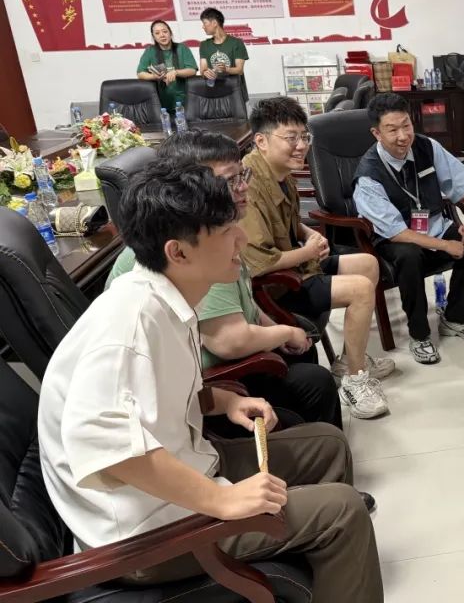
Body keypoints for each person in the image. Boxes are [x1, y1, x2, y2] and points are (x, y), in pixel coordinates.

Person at [38, 160, 383, 602]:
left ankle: (326, 575)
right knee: (342, 511)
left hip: (184, 467)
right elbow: (103, 446)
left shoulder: (167, 294)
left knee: (326, 444)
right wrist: (222, 502)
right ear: (178, 252)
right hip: (145, 533)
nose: (242, 239)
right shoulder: (129, 324)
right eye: (226, 231)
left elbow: (159, 390)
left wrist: (223, 401)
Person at [105, 130, 348, 433]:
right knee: (314, 386)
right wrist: (285, 332)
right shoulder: (194, 249)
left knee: (304, 357)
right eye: (230, 180)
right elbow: (227, 342)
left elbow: (244, 299)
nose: (244, 186)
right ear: (191, 185)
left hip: (202, 389)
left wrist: (279, 331)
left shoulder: (211, 229)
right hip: (211, 383)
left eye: (242, 175)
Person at [239, 96, 392, 419]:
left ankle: (349, 359)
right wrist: (307, 252)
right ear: (261, 141)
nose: (301, 146)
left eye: (304, 137)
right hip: (277, 284)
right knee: (361, 289)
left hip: (298, 265)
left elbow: (290, 222)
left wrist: (310, 234)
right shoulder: (249, 186)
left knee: (368, 263)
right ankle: (355, 381)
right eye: (290, 138)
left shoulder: (279, 172)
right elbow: (257, 264)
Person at [353, 92, 464, 365]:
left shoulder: (427, 147)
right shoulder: (368, 175)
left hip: (433, 226)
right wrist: (445, 245)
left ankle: (455, 318)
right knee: (410, 257)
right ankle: (419, 334)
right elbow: (396, 232)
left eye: (407, 125)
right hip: (396, 239)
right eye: (392, 130)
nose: (403, 136)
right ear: (376, 133)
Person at [135, 20, 198, 116]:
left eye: (165, 31)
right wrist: (154, 76)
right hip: (159, 103)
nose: (162, 35)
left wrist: (176, 72)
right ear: (153, 37)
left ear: (170, 33)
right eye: (157, 33)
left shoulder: (182, 48)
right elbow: (140, 73)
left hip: (184, 102)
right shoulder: (150, 51)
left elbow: (192, 70)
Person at [198, 7, 249, 101]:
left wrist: (226, 69)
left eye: (205, 23)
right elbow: (203, 69)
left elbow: (239, 70)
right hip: (215, 95)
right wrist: (205, 73)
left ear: (214, 23)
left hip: (236, 95)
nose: (203, 27)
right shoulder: (204, 45)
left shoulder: (236, 43)